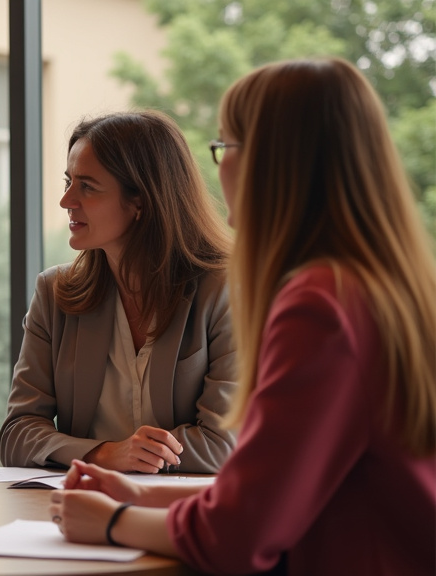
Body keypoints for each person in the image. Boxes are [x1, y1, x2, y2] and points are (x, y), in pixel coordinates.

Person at [48, 58, 436, 576]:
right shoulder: (386, 286)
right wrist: (139, 494)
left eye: (226, 146)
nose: (219, 166)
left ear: (275, 162)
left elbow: (239, 534)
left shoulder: (320, 306)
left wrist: (113, 521)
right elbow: (269, 493)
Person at [0, 110, 237, 474]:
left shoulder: (226, 290)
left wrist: (137, 457)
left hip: (180, 515)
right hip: (79, 505)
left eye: (87, 187)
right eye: (68, 182)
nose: (66, 201)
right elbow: (17, 434)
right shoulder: (54, 293)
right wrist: (106, 453)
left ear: (141, 201)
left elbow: (225, 444)